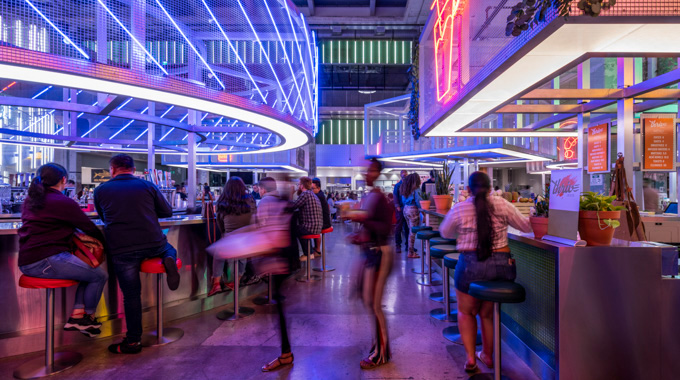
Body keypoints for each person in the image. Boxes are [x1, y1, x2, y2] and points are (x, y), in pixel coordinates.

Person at [439, 171, 531, 372]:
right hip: (501, 265)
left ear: (469, 190)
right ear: (491, 189)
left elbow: (444, 232)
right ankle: (488, 356)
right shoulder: (502, 204)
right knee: (486, 314)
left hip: (470, 264)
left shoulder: (460, 208)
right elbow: (525, 226)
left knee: (466, 311)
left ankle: (471, 358)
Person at [94, 154, 180, 354]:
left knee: (131, 295)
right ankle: (169, 259)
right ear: (133, 169)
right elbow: (167, 212)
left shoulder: (101, 190)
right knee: (168, 247)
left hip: (122, 248)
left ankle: (133, 342)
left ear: (112, 170)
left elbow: (102, 216)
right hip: (152, 243)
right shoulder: (148, 186)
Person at [18, 163, 107, 338]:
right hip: (46, 259)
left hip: (29, 260)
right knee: (99, 276)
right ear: (64, 180)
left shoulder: (32, 200)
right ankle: (87, 320)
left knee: (88, 274)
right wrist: (106, 244)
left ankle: (77, 318)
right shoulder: (62, 201)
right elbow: (88, 227)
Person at [345, 159, 394, 369]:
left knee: (374, 304)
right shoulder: (371, 196)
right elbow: (373, 228)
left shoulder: (380, 198)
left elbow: (384, 229)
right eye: (366, 170)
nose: (367, 173)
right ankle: (378, 343)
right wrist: (360, 235)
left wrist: (362, 220)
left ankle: (382, 353)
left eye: (371, 170)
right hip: (372, 252)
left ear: (378, 173)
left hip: (380, 253)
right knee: (369, 302)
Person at [255, 177, 297, 372]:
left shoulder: (265, 202)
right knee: (279, 304)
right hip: (288, 258)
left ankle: (286, 354)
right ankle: (285, 352)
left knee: (279, 306)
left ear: (263, 189)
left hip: (277, 258)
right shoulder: (285, 202)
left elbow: (264, 229)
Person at [208, 176, 259, 296]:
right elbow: (255, 217)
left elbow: (220, 224)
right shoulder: (250, 199)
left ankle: (216, 283)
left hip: (230, 240)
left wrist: (226, 235)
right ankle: (237, 280)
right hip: (248, 240)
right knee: (243, 254)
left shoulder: (222, 201)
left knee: (218, 252)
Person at [292, 177, 322, 261]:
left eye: (298, 184)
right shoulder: (311, 194)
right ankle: (309, 252)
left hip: (311, 227)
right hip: (316, 227)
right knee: (300, 228)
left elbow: (293, 206)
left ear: (302, 186)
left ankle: (307, 253)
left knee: (294, 230)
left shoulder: (305, 194)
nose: (298, 186)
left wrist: (290, 195)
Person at [400, 173, 422, 258]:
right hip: (413, 210)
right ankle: (411, 252)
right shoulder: (416, 189)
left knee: (410, 232)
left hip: (406, 209)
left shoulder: (405, 188)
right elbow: (418, 201)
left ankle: (411, 251)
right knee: (412, 233)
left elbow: (403, 200)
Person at [311, 178, 331, 256]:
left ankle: (318, 250)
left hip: (324, 223)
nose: (311, 190)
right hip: (324, 221)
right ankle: (315, 248)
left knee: (313, 227)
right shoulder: (320, 194)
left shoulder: (318, 196)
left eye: (313, 188)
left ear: (318, 188)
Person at [392, 170, 409, 253]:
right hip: (400, 208)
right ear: (401, 176)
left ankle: (408, 245)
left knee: (407, 227)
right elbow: (395, 196)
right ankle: (398, 245)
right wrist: (397, 206)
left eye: (405, 175)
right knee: (398, 227)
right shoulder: (397, 185)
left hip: (407, 208)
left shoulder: (409, 185)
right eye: (403, 175)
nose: (404, 176)